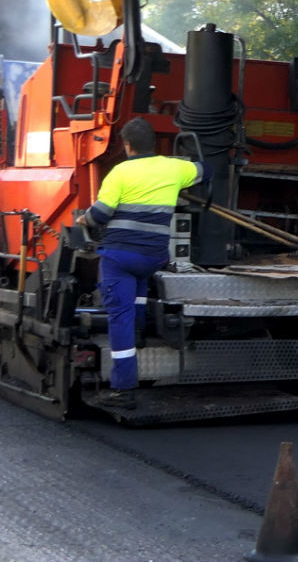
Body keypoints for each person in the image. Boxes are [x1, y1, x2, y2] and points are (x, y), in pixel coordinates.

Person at [77, 118, 207, 409]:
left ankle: (124, 389)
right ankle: (140, 335)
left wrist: (83, 218)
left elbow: (100, 214)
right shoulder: (174, 167)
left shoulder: (120, 172)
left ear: (127, 146)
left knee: (118, 316)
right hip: (153, 257)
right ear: (154, 143)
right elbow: (204, 170)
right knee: (137, 290)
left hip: (120, 257)